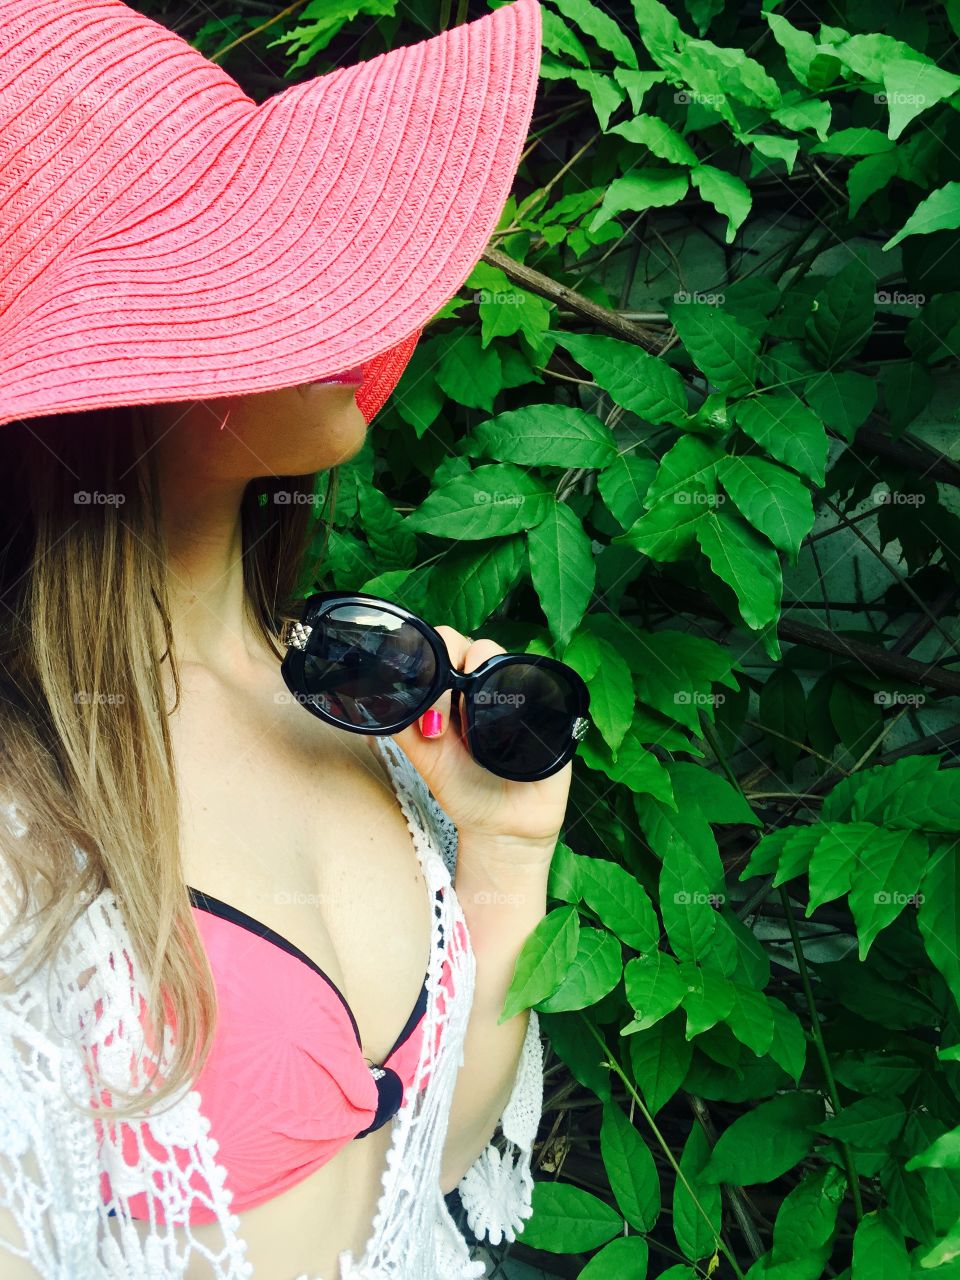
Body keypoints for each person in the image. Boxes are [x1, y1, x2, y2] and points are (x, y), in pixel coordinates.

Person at [0, 1, 568, 1276]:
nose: (326, 292)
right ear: (95, 374)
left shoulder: (339, 688)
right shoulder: (24, 807)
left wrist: (504, 855)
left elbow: (419, 1162)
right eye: (240, 264)